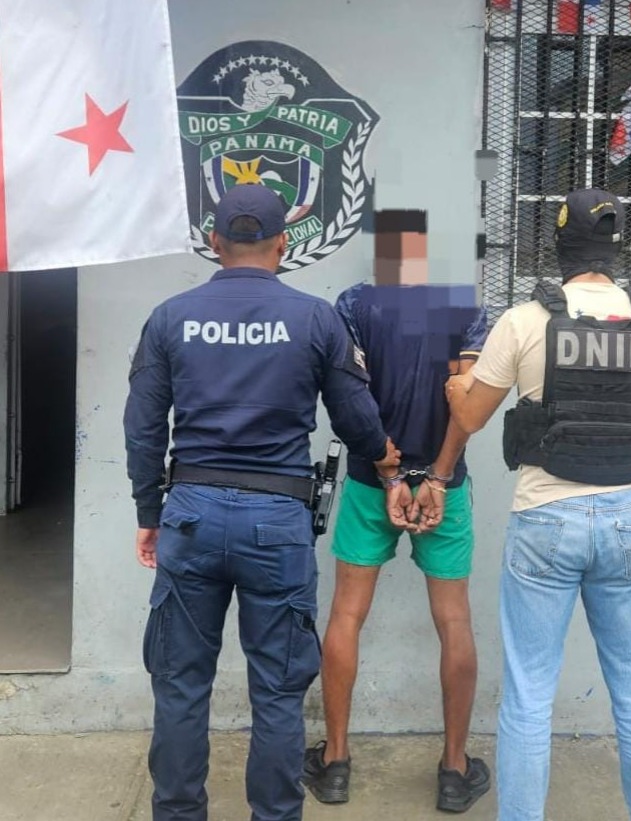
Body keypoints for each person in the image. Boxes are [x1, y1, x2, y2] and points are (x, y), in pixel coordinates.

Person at [123, 183, 399, 821]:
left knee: (180, 685)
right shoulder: (315, 318)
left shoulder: (170, 317)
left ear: (214, 242)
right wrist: (387, 457)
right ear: (282, 243)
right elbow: (357, 418)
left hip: (190, 517)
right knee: (277, 691)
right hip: (277, 523)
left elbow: (143, 429)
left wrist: (148, 513)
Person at [446, 188, 631, 821]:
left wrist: (457, 386)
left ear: (557, 247)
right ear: (618, 250)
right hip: (627, 519)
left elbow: (470, 417)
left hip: (545, 518)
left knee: (529, 699)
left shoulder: (524, 321)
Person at [302, 209, 491, 813]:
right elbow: (466, 404)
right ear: (423, 254)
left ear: (381, 253)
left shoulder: (353, 305)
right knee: (454, 620)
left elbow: (347, 397)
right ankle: (454, 770)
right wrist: (436, 476)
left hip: (369, 482)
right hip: (444, 487)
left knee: (346, 614)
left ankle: (335, 762)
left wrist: (389, 473)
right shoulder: (462, 308)